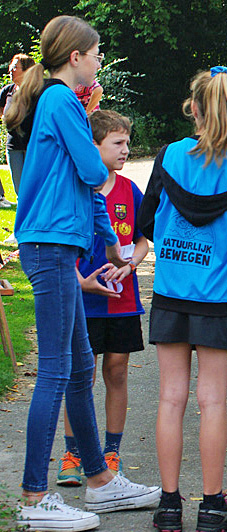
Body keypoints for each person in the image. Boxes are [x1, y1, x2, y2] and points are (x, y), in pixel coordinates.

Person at [12, 15, 160, 532]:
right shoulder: (60, 100)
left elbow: (89, 188)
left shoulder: (63, 103)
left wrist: (117, 248)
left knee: (78, 366)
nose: (99, 62)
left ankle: (99, 481)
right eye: (96, 54)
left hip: (60, 244)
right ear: (75, 57)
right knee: (57, 369)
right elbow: (95, 171)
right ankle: (34, 496)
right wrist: (92, 141)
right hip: (50, 246)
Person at [138, 67, 227, 532]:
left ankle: (169, 505)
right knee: (212, 401)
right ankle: (212, 506)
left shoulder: (169, 156)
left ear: (193, 108)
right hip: (216, 297)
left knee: (170, 397)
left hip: (172, 292)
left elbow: (147, 220)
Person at [57, 110, 149, 487]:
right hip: (83, 302)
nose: (126, 150)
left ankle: (111, 452)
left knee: (117, 371)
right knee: (82, 375)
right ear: (93, 146)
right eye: (117, 143)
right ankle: (73, 454)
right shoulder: (76, 189)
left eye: (127, 142)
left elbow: (142, 240)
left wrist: (131, 265)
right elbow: (61, 246)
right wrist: (80, 283)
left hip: (122, 302)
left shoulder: (130, 190)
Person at [0, 53, 34, 206]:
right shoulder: (7, 91)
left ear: (26, 69)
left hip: (33, 145)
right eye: (11, 67)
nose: (11, 70)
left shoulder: (36, 92)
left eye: (15, 67)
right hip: (13, 145)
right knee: (20, 189)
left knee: (34, 187)